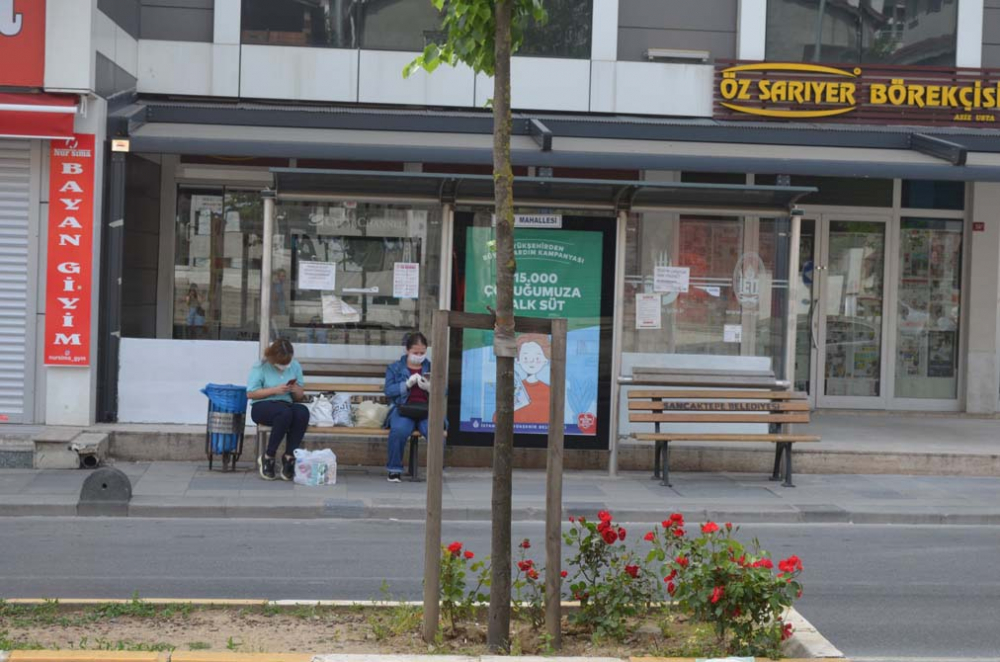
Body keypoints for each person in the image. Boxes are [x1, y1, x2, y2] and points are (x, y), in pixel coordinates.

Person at [247, 338, 308, 480]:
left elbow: (299, 396)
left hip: (286, 403)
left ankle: (289, 456)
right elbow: (251, 393)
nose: (284, 366)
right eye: (281, 363)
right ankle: (268, 456)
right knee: (284, 413)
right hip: (262, 405)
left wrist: (295, 389)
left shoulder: (295, 366)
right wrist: (274, 390)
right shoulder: (260, 366)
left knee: (302, 412)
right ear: (273, 358)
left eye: (287, 362)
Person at [383, 332, 431, 483]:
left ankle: (435, 470)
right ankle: (394, 470)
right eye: (415, 352)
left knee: (434, 431)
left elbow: (444, 391)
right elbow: (389, 390)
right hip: (403, 408)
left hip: (426, 409)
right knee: (398, 431)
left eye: (422, 352)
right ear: (407, 350)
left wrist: (431, 388)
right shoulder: (395, 368)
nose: (419, 355)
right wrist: (406, 385)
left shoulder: (432, 367)